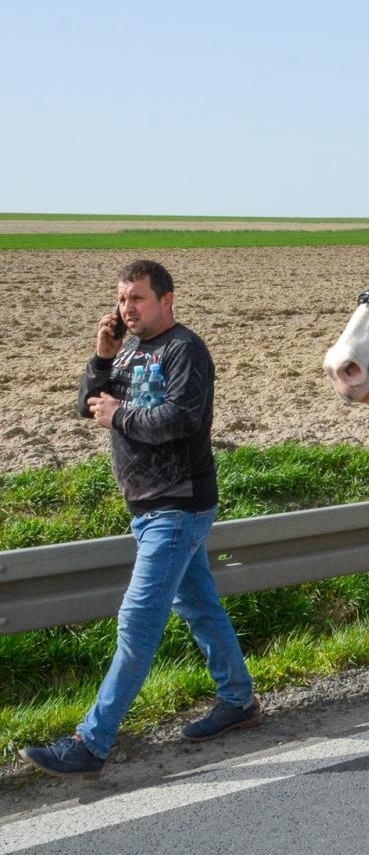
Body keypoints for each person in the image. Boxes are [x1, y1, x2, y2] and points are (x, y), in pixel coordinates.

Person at [21, 260, 259, 779]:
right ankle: (239, 700)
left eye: (138, 299)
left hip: (179, 505)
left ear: (166, 300)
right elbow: (86, 406)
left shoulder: (185, 350)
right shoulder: (127, 349)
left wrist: (120, 415)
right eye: (122, 299)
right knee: (198, 605)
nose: (127, 309)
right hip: (148, 507)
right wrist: (102, 357)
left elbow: (182, 418)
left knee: (137, 623)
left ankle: (91, 743)